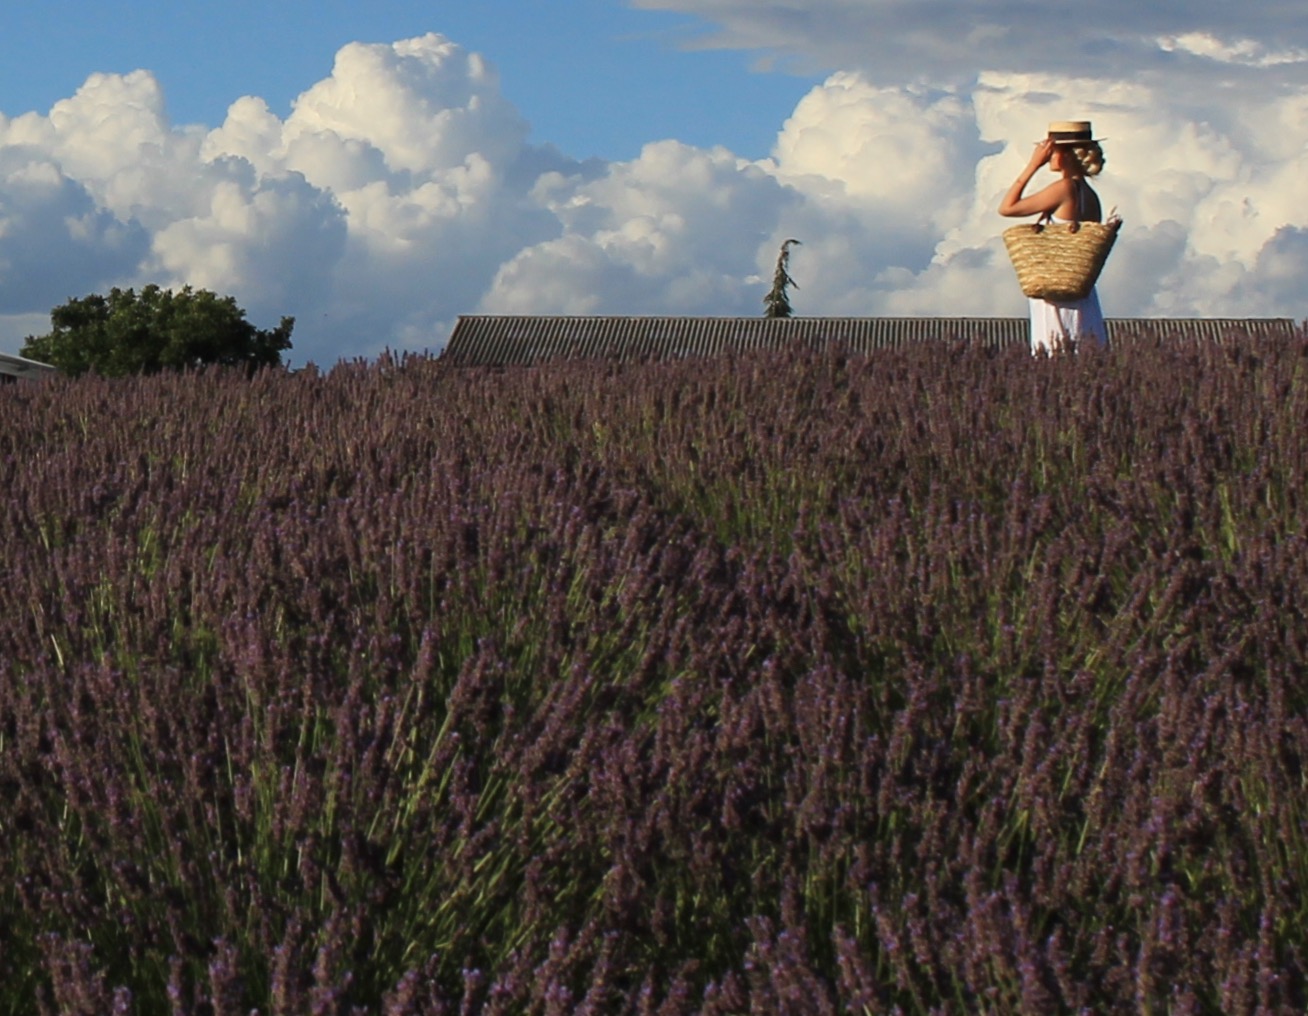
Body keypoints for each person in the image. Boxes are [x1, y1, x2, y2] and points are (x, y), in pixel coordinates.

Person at [999, 120, 1108, 353]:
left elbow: (1007, 207)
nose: (1047, 155)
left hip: (1056, 290)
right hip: (1082, 292)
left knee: (1055, 352)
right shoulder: (1090, 195)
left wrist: (1032, 165)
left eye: (1051, 150)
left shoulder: (1065, 188)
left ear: (1066, 154)